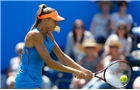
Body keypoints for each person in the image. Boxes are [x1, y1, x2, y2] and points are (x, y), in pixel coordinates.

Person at [14, 4, 93, 89]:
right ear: (45, 20)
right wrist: (74, 71)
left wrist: (83, 70)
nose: (57, 24)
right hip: (26, 81)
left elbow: (62, 56)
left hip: (37, 80)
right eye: (54, 21)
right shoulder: (35, 34)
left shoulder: (49, 35)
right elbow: (50, 63)